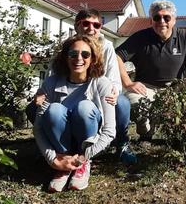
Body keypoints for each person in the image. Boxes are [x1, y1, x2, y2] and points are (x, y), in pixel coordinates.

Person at [30, 9, 137, 164]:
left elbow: (114, 81)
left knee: (121, 103)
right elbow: (52, 78)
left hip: (97, 96)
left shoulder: (106, 47)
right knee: (36, 108)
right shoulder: (66, 47)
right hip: (69, 96)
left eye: (96, 24)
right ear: (76, 26)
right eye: (86, 23)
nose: (91, 28)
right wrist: (42, 94)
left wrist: (111, 92)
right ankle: (56, 146)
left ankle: (120, 143)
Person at [116, 0, 186, 140]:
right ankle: (146, 133)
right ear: (151, 20)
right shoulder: (140, 37)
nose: (162, 21)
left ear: (174, 20)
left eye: (166, 17)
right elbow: (116, 56)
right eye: (157, 17)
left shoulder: (184, 36)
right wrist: (128, 83)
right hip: (147, 89)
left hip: (177, 88)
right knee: (131, 100)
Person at [33, 35, 115, 192]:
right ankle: (63, 165)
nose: (79, 58)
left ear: (93, 59)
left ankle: (81, 166)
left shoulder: (101, 83)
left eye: (85, 54)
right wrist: (53, 160)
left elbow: (109, 131)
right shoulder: (51, 83)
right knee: (54, 109)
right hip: (60, 147)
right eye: (73, 54)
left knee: (85, 108)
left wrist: (84, 157)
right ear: (65, 57)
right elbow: (38, 128)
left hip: (86, 146)